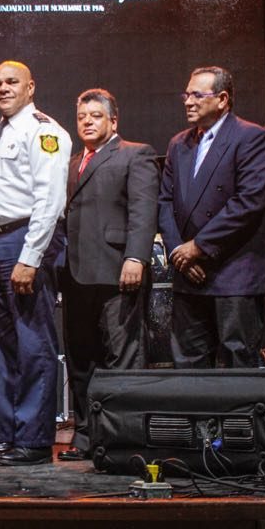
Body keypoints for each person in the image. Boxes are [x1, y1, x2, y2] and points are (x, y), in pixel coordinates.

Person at [0, 60, 71, 466]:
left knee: (32, 344)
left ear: (30, 88)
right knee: (2, 347)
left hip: (26, 240)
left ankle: (33, 441)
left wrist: (30, 258)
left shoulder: (44, 131)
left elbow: (49, 201)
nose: (3, 88)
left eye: (12, 82)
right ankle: (9, 435)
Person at [60, 88, 158, 461]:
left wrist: (136, 257)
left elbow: (143, 210)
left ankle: (123, 441)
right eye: (82, 116)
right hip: (76, 274)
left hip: (118, 270)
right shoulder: (72, 162)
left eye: (96, 115)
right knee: (81, 359)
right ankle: (86, 436)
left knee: (124, 356)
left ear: (113, 121)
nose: (87, 121)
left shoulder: (135, 153)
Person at [158, 66, 265, 369]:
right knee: (189, 364)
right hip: (188, 273)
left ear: (222, 99)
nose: (188, 102)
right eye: (186, 95)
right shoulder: (178, 143)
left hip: (235, 272)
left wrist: (198, 247)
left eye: (197, 95)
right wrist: (178, 252)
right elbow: (165, 201)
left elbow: (249, 201)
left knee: (238, 362)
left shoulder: (250, 137)